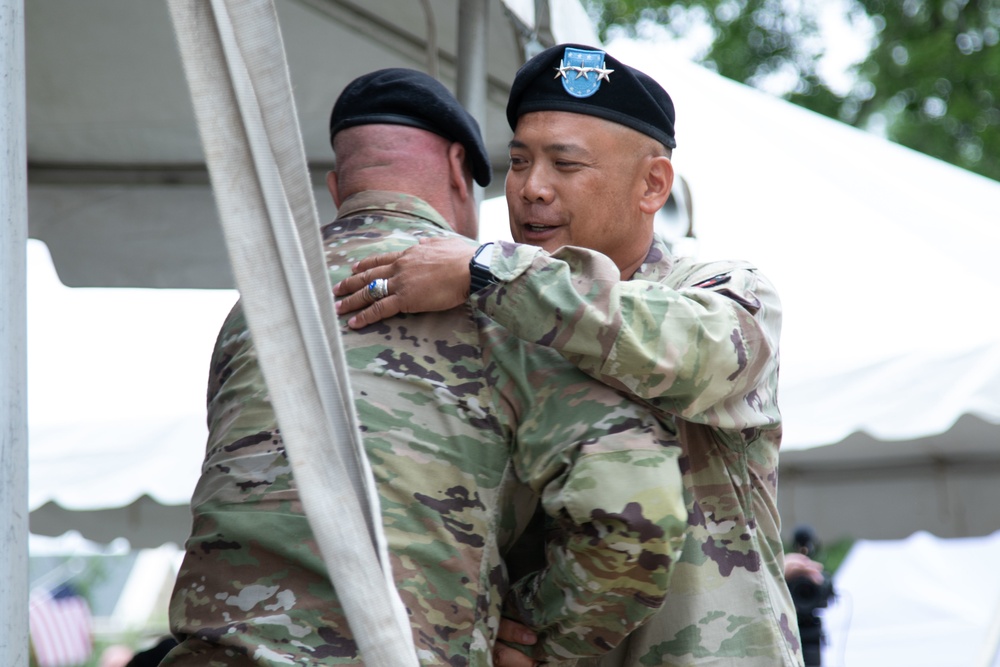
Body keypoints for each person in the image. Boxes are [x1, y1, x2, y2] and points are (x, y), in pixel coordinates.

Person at [160, 67, 688, 666]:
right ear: (460, 175)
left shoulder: (254, 306)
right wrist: (536, 635)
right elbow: (635, 511)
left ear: (339, 188)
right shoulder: (506, 303)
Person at [334, 44, 801, 666]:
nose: (531, 190)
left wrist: (486, 270)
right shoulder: (495, 314)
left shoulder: (725, 290)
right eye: (519, 162)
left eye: (566, 164)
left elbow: (695, 352)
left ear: (652, 184)